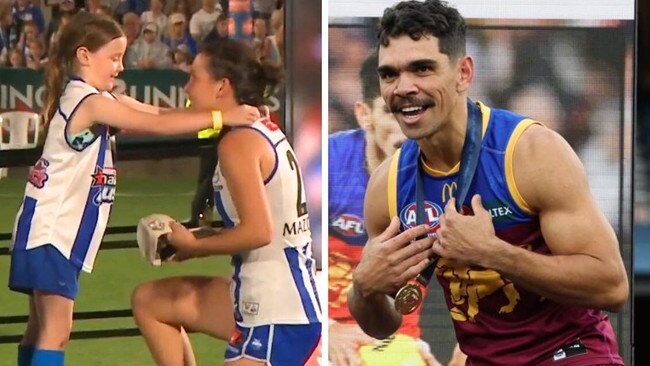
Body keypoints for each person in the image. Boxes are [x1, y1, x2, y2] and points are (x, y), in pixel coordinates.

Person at [348, 1, 629, 365]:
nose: (403, 87)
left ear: (463, 73)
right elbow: (383, 325)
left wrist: (492, 252)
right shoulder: (387, 186)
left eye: (422, 69)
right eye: (389, 75)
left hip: (567, 353)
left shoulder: (529, 152)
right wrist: (363, 289)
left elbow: (613, 286)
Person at [8, 12, 259, 366]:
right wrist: (223, 118)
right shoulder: (89, 102)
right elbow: (152, 125)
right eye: (113, 58)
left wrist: (215, 117)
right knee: (56, 330)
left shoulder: (95, 98)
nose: (120, 67)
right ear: (84, 56)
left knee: (39, 327)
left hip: (44, 229)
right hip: (51, 232)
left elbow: (159, 115)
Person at [131, 39, 321, 366]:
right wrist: (189, 237)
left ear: (222, 86)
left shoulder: (238, 143)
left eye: (194, 77)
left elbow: (259, 232)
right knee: (151, 301)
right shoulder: (256, 129)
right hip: (259, 293)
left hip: (277, 312)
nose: (187, 86)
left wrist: (193, 245)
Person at [329, 52, 452, 366]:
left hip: (397, 341)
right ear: (364, 115)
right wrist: (325, 330)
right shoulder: (327, 166)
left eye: (414, 110)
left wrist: (467, 352)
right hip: (324, 330)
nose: (404, 125)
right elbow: (287, 256)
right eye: (389, 111)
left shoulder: (449, 177)